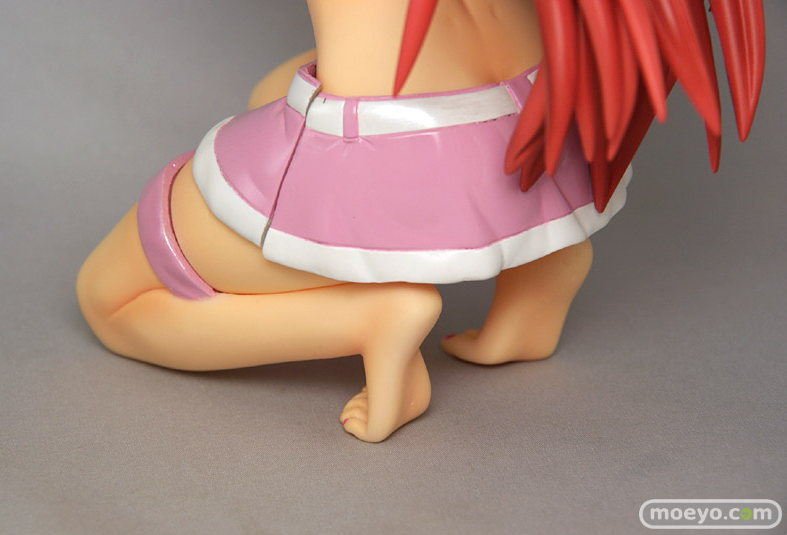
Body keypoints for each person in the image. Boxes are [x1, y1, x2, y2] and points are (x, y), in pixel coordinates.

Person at [76, 0, 764, 442]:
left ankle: (373, 318)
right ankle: (541, 272)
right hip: (523, 119)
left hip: (387, 146)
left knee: (110, 297)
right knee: (270, 87)